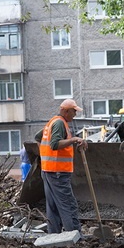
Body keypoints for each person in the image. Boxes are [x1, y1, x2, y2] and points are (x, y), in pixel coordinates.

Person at [40, 98, 87, 234]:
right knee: (68, 204)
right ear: (65, 111)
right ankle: (74, 235)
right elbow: (54, 144)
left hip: (49, 170)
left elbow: (39, 138)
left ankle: (53, 235)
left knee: (53, 206)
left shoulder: (52, 122)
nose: (75, 115)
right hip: (58, 172)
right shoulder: (60, 123)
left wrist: (44, 158)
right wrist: (74, 139)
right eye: (73, 111)